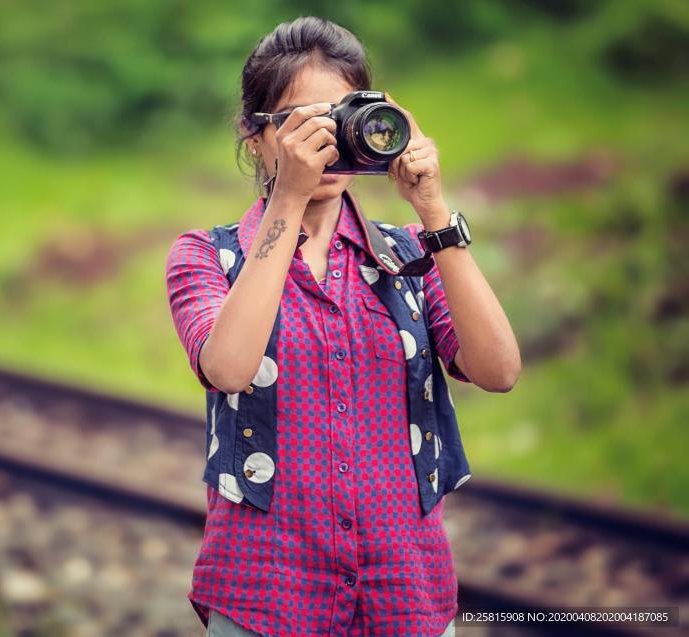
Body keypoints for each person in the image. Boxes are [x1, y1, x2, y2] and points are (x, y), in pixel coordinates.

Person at [164, 15, 521, 637]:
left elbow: (499, 371)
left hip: (404, 591)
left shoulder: (410, 254)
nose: (329, 140)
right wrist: (288, 200)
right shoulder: (204, 256)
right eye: (305, 123)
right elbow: (228, 368)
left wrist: (433, 210)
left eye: (344, 115)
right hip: (266, 593)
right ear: (257, 137)